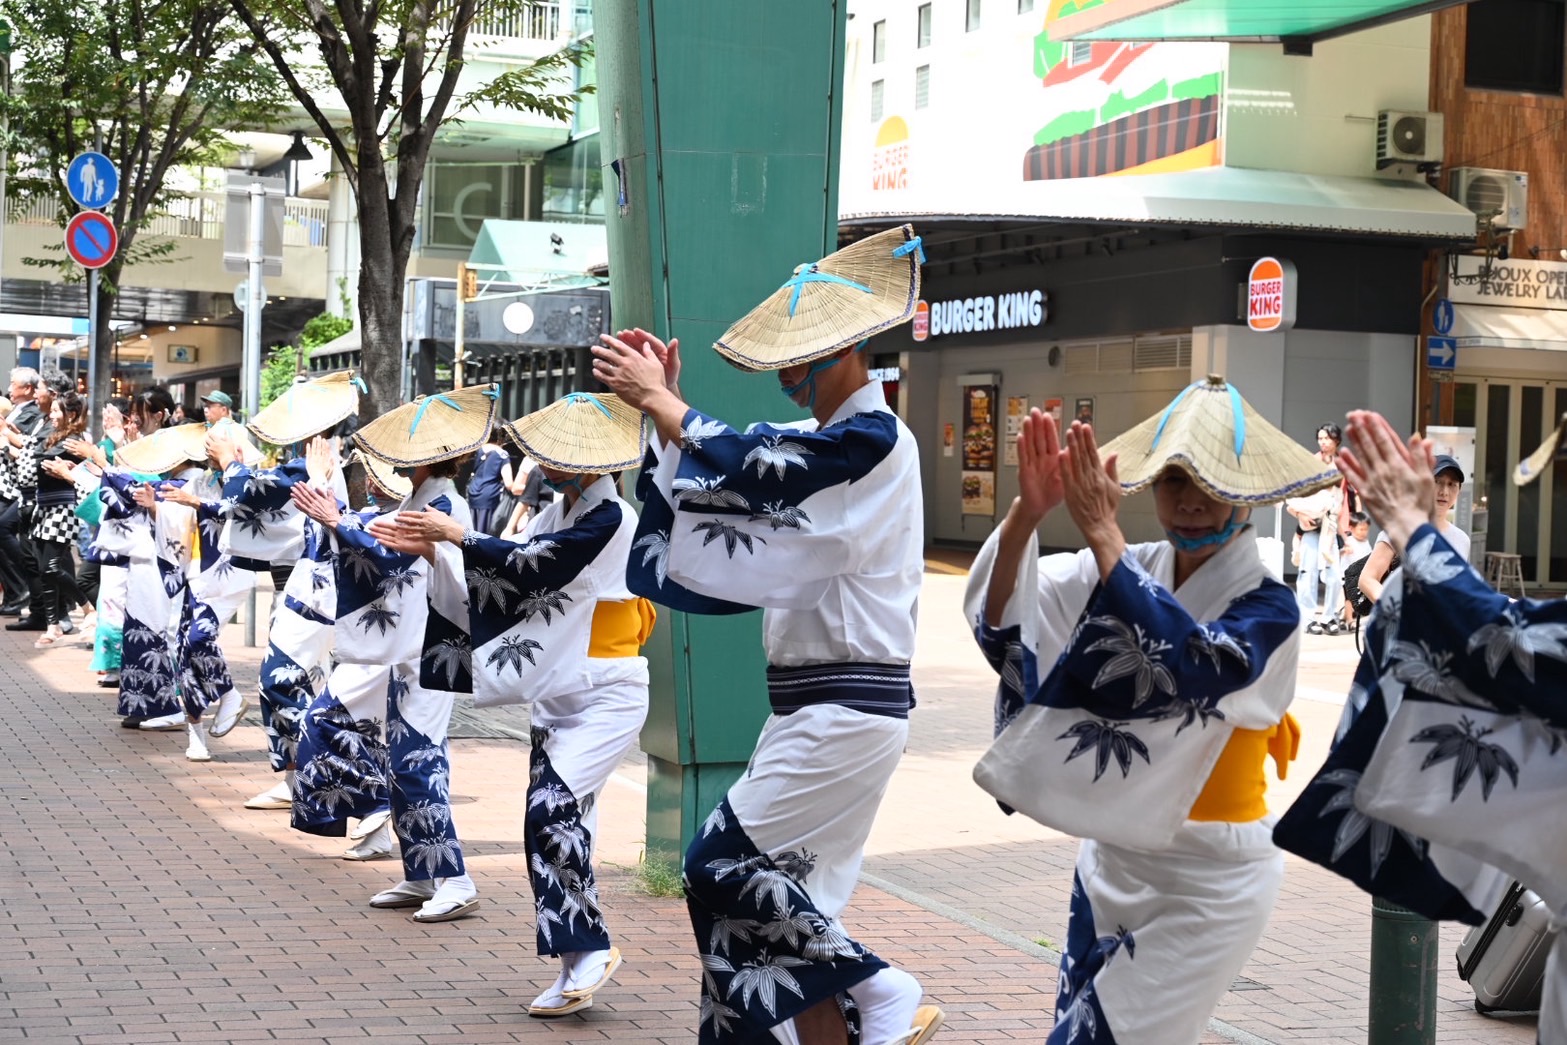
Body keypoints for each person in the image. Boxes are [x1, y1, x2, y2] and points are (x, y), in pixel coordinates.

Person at [594, 225, 942, 1045]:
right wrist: (666, 415)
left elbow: (760, 467)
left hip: (843, 709)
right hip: (822, 710)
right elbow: (747, 484)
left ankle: (880, 987)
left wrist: (668, 405)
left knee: (718, 867)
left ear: (850, 347)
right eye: (785, 359)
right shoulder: (840, 447)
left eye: (803, 356)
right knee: (772, 908)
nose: (789, 375)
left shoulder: (870, 439)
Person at [966, 375, 1336, 1045]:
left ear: (1246, 494)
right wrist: (1027, 513)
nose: (1189, 501)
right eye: (1172, 481)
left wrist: (1103, 535)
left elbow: (1187, 668)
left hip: (1211, 880)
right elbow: (1007, 623)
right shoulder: (1128, 566)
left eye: (1209, 484)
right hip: (1113, 857)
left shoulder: (1269, 605)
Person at [1272, 409, 1567, 1044]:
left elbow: (1500, 639)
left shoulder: (1447, 539)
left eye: (1453, 485)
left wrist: (1411, 529)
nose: (1447, 492)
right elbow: (1500, 636)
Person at [380, 391, 654, 1018]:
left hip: (608, 692)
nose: (542, 466)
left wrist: (455, 535)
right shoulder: (558, 510)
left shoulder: (613, 519)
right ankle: (576, 962)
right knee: (566, 825)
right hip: (558, 688)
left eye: (555, 457)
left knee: (548, 813)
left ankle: (589, 950)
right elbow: (499, 577)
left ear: (590, 463)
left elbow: (534, 567)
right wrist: (437, 552)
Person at [289, 383, 499, 924]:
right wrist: (336, 514)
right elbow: (378, 535)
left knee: (418, 760)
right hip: (412, 646)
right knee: (402, 759)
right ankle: (422, 872)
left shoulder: (444, 504)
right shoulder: (423, 499)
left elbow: (389, 556)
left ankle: (456, 880)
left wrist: (336, 520)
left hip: (434, 646)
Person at [217, 371, 361, 812]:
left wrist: (229, 461)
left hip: (314, 595)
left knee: (278, 679)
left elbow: (243, 494)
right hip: (308, 591)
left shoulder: (314, 465)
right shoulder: (312, 463)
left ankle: (313, 776)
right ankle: (302, 778)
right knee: (303, 684)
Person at [1354, 453, 1467, 606]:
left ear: (1459, 490)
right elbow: (1367, 579)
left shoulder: (1462, 539)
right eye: (1437, 482)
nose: (1444, 492)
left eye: (1451, 484)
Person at [29, 391, 94, 647]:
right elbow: (37, 461)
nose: (52, 415)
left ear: (72, 414)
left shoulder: (74, 441)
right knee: (44, 570)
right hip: (43, 506)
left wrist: (35, 457)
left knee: (52, 567)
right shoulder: (54, 435)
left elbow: (41, 462)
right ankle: (52, 626)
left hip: (62, 508)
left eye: (57, 411)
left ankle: (87, 607)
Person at [1284, 422, 1353, 636]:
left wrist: (1346, 532)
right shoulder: (1310, 463)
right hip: (1310, 523)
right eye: (1320, 438)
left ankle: (1330, 617)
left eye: (1327, 438)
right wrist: (1301, 515)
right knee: (1308, 571)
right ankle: (1307, 618)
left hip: (1331, 525)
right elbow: (1296, 496)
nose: (1323, 442)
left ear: (1336, 440)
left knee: (1334, 575)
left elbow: (1344, 500)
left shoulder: (1342, 466)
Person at [0, 367, 49, 623]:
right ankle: (18, 595)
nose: (10, 388)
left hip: (24, 489)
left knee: (39, 552)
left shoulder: (34, 413)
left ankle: (27, 594)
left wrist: (6, 432)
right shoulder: (28, 413)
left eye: (13, 383)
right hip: (18, 485)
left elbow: (28, 447)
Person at [1337, 510, 1372, 629]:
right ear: (1351, 528)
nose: (1364, 532)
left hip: (1360, 575)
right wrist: (1344, 551)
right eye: (1361, 529)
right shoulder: (1349, 541)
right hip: (1347, 576)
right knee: (1349, 599)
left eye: (1366, 529)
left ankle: (1346, 618)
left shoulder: (1366, 542)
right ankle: (1350, 621)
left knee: (1357, 598)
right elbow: (1338, 553)